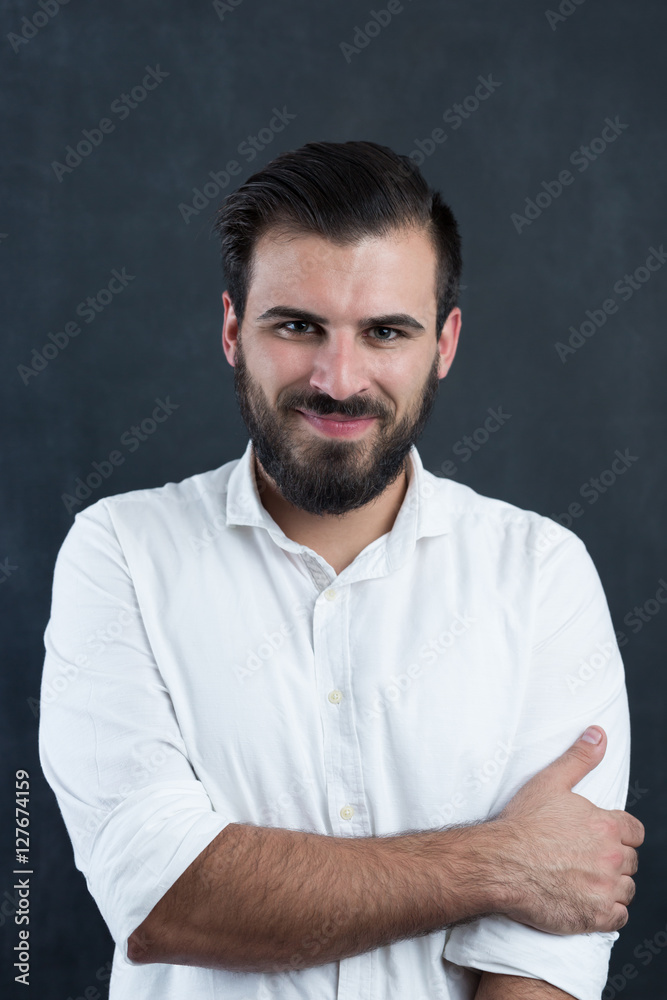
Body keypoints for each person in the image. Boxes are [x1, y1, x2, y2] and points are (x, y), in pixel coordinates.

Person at [39, 140, 644, 1000]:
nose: (337, 379)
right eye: (296, 326)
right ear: (230, 331)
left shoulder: (540, 574)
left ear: (444, 343)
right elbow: (165, 902)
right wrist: (504, 861)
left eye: (386, 332)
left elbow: (543, 954)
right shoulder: (121, 553)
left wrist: (525, 879)